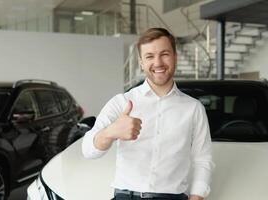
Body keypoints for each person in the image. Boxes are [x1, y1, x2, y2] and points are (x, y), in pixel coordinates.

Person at [82, 27, 214, 200]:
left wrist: (197, 196)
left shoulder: (194, 108)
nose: (158, 63)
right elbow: (88, 151)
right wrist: (110, 132)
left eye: (164, 54)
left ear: (175, 57)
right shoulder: (121, 102)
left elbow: (203, 160)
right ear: (141, 62)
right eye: (150, 56)